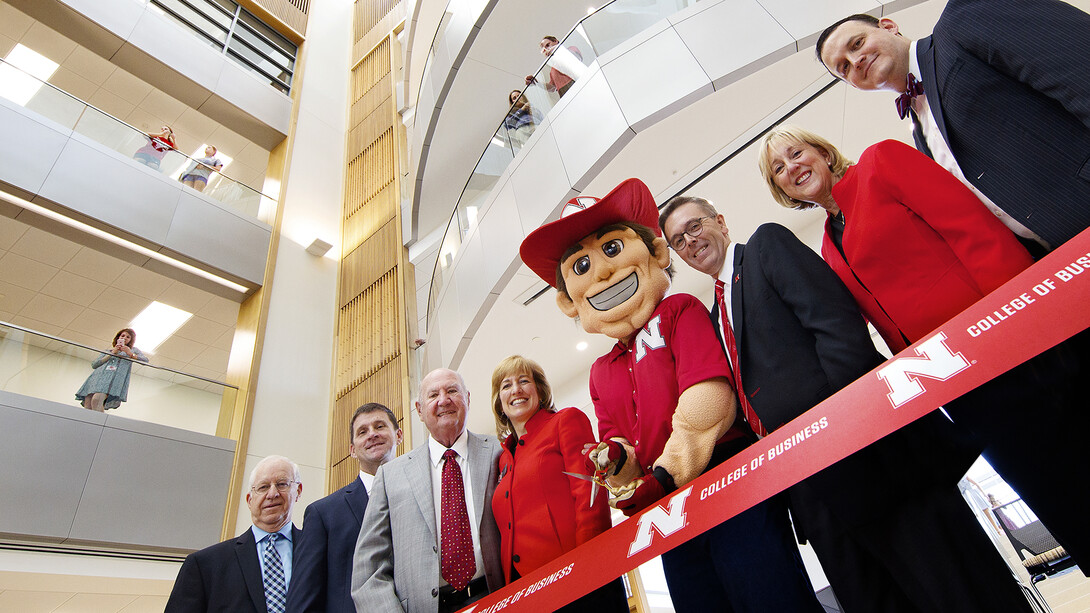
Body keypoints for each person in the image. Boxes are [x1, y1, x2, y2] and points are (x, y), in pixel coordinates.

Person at [660, 196, 1023, 613]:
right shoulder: (711, 318)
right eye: (678, 241)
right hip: (810, 492)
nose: (690, 241)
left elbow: (838, 327)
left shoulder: (766, 247)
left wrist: (846, 430)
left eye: (695, 226)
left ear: (721, 222)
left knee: (955, 588)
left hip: (871, 461)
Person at [759, 124, 1088, 577]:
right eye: (779, 168)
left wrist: (1020, 320)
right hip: (959, 385)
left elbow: (974, 228)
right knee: (1048, 490)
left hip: (1014, 350)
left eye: (796, 153)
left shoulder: (881, 162)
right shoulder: (826, 246)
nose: (792, 167)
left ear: (821, 151)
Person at [519, 178, 824, 613]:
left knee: (770, 596)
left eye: (611, 250)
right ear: (570, 301)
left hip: (725, 482)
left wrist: (665, 474)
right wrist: (617, 463)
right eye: (582, 267)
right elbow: (620, 441)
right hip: (667, 513)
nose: (603, 272)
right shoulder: (600, 370)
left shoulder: (678, 310)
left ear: (655, 254)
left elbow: (710, 396)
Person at [815, 3, 1090, 254]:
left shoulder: (962, 20)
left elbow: (1078, 70)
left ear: (889, 26)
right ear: (852, 84)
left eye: (857, 43)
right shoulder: (919, 135)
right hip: (1064, 251)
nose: (856, 61)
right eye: (844, 67)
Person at [351, 368, 503, 613]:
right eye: (433, 395)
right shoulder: (391, 475)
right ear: (420, 410)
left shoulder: (500, 451)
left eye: (452, 391)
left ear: (468, 399)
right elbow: (368, 569)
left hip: (497, 598)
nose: (444, 400)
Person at [489, 355, 628, 612]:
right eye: (506, 385)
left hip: (580, 582)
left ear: (539, 391)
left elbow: (590, 495)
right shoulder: (502, 458)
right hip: (527, 593)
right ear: (499, 403)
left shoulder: (565, 421)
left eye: (523, 381)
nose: (516, 390)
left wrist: (587, 568)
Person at [285, 403, 402, 613]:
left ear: (398, 435)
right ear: (352, 450)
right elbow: (303, 601)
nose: (372, 434)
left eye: (380, 426)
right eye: (362, 432)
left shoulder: (424, 494)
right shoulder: (323, 514)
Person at [166, 455, 304, 612]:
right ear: (249, 500)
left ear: (298, 491)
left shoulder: (320, 551)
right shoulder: (204, 564)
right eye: (263, 487)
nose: (272, 494)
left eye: (281, 484)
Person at [75, 327, 148, 412]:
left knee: (97, 400)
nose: (124, 338)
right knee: (88, 405)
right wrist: (112, 353)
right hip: (97, 378)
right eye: (122, 335)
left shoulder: (133, 350)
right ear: (118, 337)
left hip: (112, 380)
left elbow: (145, 361)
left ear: (131, 340)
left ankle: (102, 424)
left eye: (128, 337)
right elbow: (95, 364)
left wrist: (131, 354)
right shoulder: (109, 350)